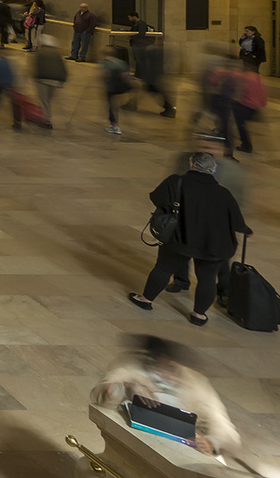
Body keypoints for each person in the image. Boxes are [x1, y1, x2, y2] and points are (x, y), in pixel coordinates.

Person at [128, 152, 251, 327]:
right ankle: (198, 315)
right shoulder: (223, 193)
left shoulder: (176, 182)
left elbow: (156, 198)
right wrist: (247, 231)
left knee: (163, 268)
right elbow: (237, 222)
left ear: (192, 165)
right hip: (213, 245)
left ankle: (145, 299)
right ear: (212, 170)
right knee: (207, 279)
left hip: (180, 240)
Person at [90, 336, 240, 457]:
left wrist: (212, 442)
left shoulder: (196, 384)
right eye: (157, 367)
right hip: (140, 441)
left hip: (184, 449)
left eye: (169, 368)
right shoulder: (131, 366)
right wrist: (129, 384)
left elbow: (226, 430)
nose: (163, 374)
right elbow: (101, 396)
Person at [31, 35, 67, 127]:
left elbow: (36, 66)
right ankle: (45, 117)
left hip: (43, 79)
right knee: (48, 100)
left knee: (44, 100)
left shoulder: (40, 52)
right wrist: (62, 81)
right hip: (55, 81)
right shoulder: (57, 54)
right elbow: (62, 68)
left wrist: (34, 77)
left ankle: (46, 120)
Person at [100, 47, 130, 135]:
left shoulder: (105, 63)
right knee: (115, 104)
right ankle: (116, 124)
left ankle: (115, 126)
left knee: (111, 106)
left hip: (111, 87)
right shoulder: (122, 63)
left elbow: (104, 74)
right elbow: (125, 75)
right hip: (120, 88)